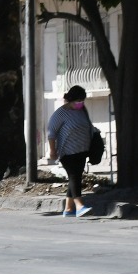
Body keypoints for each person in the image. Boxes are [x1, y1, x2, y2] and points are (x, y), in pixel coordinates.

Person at [47, 86, 95, 217]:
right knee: (74, 176)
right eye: (78, 101)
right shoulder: (60, 113)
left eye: (82, 101)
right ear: (70, 100)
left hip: (82, 150)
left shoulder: (82, 110)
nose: (80, 103)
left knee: (76, 177)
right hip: (67, 152)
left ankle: (68, 209)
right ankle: (79, 206)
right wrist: (52, 150)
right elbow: (51, 133)